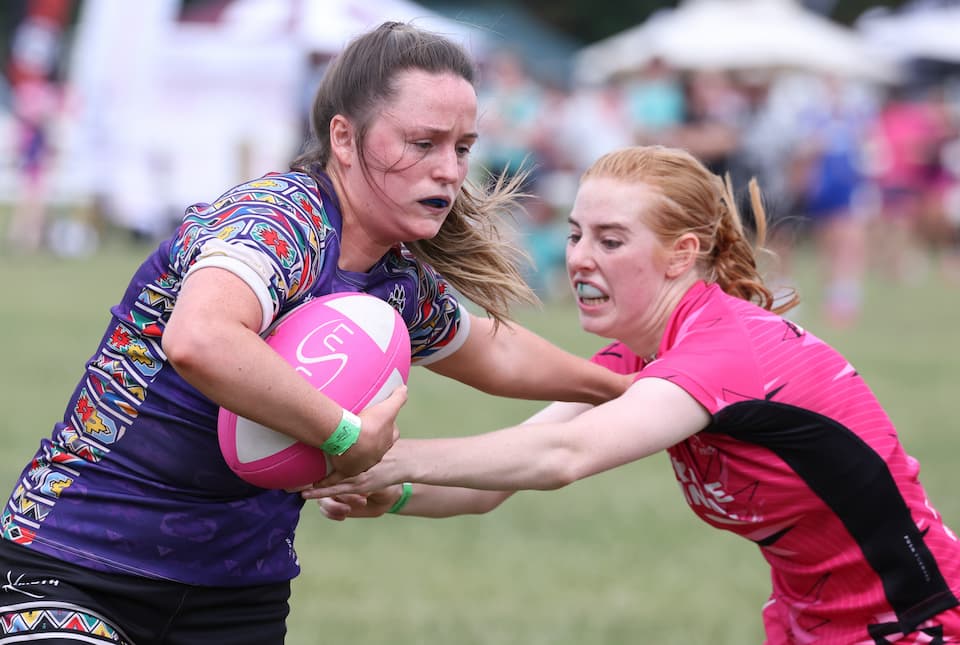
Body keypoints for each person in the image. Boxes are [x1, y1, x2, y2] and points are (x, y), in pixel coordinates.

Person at [0, 22, 631, 645]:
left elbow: (497, 352)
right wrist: (342, 434)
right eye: (422, 143)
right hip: (73, 564)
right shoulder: (278, 221)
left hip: (236, 595)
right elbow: (201, 338)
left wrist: (628, 383)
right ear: (345, 138)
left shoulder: (397, 281)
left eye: (462, 148)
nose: (448, 170)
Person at [307, 144, 960, 643]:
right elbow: (497, 479)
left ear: (680, 255)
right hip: (808, 619)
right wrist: (394, 495)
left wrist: (390, 453)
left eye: (610, 240)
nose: (580, 258)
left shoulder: (722, 349)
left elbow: (562, 455)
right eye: (575, 234)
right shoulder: (641, 353)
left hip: (917, 617)